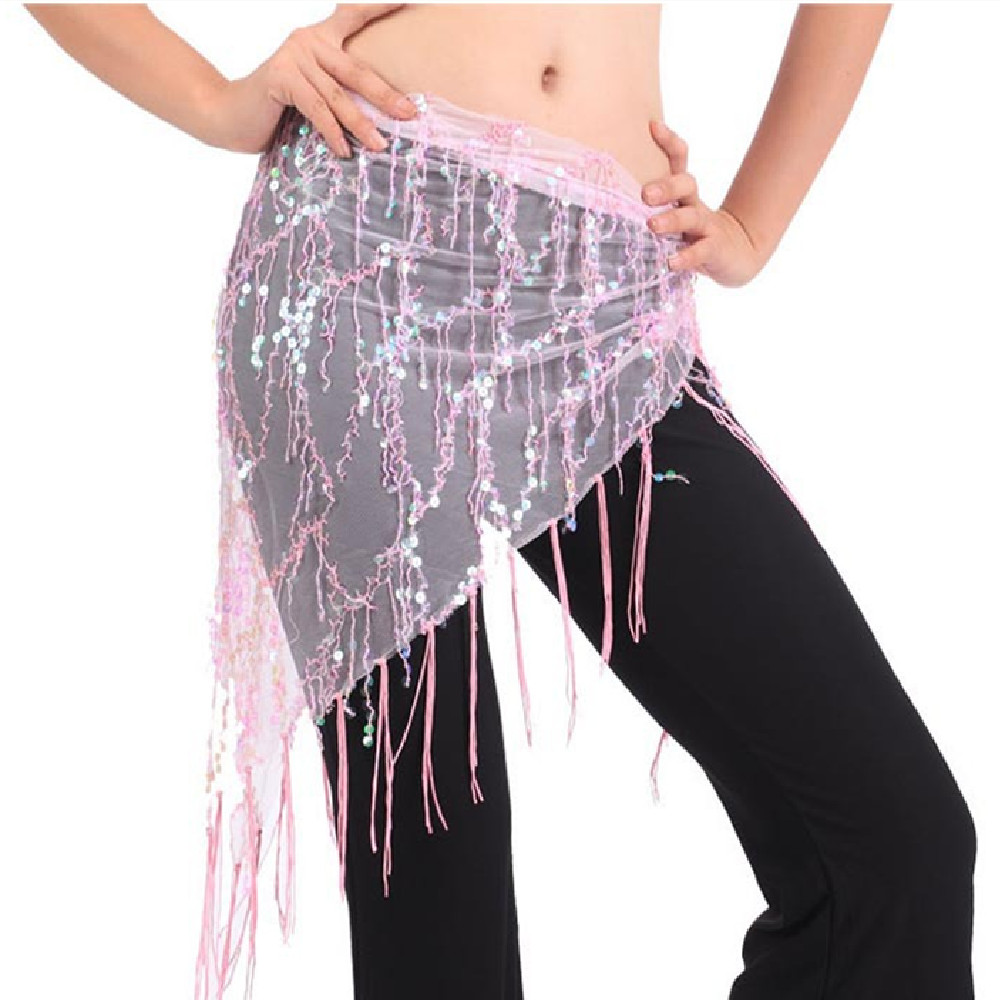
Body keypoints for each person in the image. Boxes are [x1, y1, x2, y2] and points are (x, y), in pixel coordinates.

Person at [23, 4, 977, 1000]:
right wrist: (218, 104)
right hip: (360, 259)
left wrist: (754, 221)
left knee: (895, 843)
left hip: (607, 301)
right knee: (441, 898)